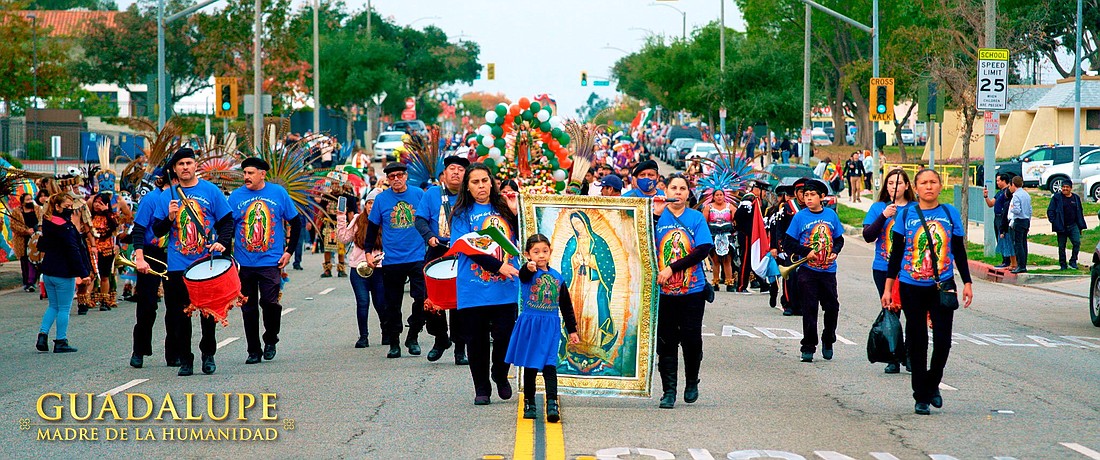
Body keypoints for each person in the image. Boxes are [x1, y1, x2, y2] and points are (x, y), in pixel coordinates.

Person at [883, 168, 973, 415]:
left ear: (940, 185)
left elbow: (959, 251)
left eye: (933, 182)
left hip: (943, 285)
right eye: (924, 183)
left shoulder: (949, 213)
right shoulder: (906, 214)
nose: (929, 186)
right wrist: (889, 287)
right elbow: (897, 253)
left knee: (943, 341)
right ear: (916, 187)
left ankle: (933, 383)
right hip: (912, 285)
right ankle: (920, 396)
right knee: (918, 340)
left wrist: (967, 282)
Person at [149, 148, 234, 377]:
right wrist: (169, 218)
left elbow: (227, 222)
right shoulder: (167, 196)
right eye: (180, 164)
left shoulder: (210, 191)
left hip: (205, 262)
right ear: (174, 170)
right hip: (178, 264)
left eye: (189, 163)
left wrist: (222, 243)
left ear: (195, 166)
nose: (185, 167)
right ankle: (186, 359)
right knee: (180, 315)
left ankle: (208, 355)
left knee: (207, 313)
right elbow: (156, 230)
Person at [450, 163, 521, 405]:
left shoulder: (506, 209)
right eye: (475, 182)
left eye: (484, 181)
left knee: (506, 337)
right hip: (473, 288)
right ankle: (482, 388)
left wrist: (515, 214)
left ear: (492, 182)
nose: (481, 186)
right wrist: (497, 266)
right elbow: (466, 246)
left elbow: (524, 239)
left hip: (506, 288)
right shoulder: (461, 214)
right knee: (476, 341)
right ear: (467, 188)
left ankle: (500, 374)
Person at [228, 157, 302, 364]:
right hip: (244, 263)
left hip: (271, 261)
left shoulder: (278, 193)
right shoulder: (235, 197)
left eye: (250, 173)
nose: (246, 177)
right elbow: (226, 226)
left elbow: (296, 223)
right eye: (244, 173)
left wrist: (289, 252)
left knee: (270, 303)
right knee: (248, 307)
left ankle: (270, 338)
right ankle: (253, 350)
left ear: (262, 174)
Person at [505, 234, 580, 423]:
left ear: (550, 252)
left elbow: (566, 306)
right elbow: (524, 274)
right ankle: (529, 402)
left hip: (550, 326)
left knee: (549, 365)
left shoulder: (557, 277)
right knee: (530, 365)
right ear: (528, 254)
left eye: (544, 251)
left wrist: (572, 330)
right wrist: (528, 268)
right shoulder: (528, 273)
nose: (541, 256)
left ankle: (552, 403)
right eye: (536, 252)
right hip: (531, 325)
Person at [653, 174, 713, 409]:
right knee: (666, 342)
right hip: (664, 293)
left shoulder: (696, 218)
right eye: (673, 188)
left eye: (682, 189)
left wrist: (672, 268)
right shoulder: (657, 217)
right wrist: (655, 215)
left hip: (692, 291)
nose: (677, 192)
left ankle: (691, 381)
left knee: (691, 338)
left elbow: (703, 249)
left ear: (688, 194)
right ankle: (668, 391)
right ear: (666, 190)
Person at [364, 163, 429, 358]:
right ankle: (394, 342)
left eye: (399, 175)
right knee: (392, 303)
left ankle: (413, 335)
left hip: (417, 256)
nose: (396, 179)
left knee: (422, 298)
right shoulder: (382, 200)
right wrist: (368, 252)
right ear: (387, 180)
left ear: (406, 176)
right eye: (392, 176)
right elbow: (372, 228)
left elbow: (429, 220)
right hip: (392, 259)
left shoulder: (419, 194)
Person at [415, 155, 470, 364]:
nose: (456, 173)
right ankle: (440, 338)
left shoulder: (469, 196)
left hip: (462, 253)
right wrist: (429, 236)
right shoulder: (432, 194)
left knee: (460, 303)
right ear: (444, 174)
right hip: (437, 250)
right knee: (430, 300)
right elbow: (419, 219)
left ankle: (460, 349)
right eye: (452, 169)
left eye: (461, 170)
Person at [783, 179, 845, 363]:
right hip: (807, 270)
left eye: (812, 195)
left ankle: (828, 339)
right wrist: (805, 252)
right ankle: (808, 346)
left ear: (822, 197)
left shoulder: (831, 216)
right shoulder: (800, 217)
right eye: (806, 195)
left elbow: (839, 239)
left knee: (832, 307)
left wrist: (835, 251)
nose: (808, 199)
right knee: (809, 309)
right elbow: (788, 243)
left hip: (828, 271)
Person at [862, 168, 915, 374]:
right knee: (891, 311)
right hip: (884, 268)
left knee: (912, 313)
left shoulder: (915, 209)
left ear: (907, 186)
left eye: (899, 183)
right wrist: (884, 216)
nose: (895, 187)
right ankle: (892, 356)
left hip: (910, 270)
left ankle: (911, 355)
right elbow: (868, 235)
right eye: (891, 183)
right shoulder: (878, 208)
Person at [35, 193, 91, 353]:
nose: (70, 210)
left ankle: (42, 334)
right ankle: (61, 340)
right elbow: (73, 250)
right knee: (64, 308)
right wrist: (83, 272)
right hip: (64, 271)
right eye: (67, 207)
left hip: (48, 270)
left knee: (53, 305)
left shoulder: (48, 222)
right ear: (58, 206)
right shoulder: (66, 227)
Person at [129, 172, 173, 369]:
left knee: (176, 306)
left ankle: (174, 353)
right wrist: (139, 257)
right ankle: (139, 350)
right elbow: (138, 230)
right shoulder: (151, 199)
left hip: (175, 255)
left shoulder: (183, 199)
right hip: (151, 253)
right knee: (147, 306)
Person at [339, 189, 386, 348]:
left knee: (380, 303)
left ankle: (386, 331)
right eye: (369, 203)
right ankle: (363, 336)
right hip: (358, 269)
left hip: (379, 268)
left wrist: (380, 257)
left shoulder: (385, 220)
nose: (371, 206)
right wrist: (341, 216)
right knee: (362, 302)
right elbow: (343, 238)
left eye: (375, 203)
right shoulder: (359, 220)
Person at [768, 181, 804, 316]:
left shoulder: (812, 208)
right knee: (790, 276)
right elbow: (779, 228)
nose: (804, 195)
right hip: (790, 247)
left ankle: (800, 305)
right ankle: (788, 304)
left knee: (803, 278)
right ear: (796, 193)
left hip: (806, 248)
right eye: (801, 192)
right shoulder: (787, 208)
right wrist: (778, 247)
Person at [89, 192, 121, 311]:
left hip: (106, 249)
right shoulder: (90, 216)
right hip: (92, 248)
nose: (97, 205)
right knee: (91, 274)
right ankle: (88, 299)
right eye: (95, 202)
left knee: (104, 276)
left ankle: (104, 301)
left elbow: (115, 227)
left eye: (100, 202)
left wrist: (107, 212)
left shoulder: (112, 216)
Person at [1047, 180, 1087, 270]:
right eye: (1063, 187)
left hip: (1073, 225)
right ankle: (1063, 264)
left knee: (1076, 243)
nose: (1065, 189)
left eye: (1067, 187)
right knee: (1062, 246)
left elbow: (1079, 212)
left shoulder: (1076, 198)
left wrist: (1081, 225)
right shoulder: (1056, 198)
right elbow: (1050, 211)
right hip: (1061, 226)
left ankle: (1073, 261)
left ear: (1071, 188)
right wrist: (1054, 221)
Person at [702, 188, 735, 292]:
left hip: (727, 237)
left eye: (721, 194)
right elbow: (703, 222)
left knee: (727, 260)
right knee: (715, 261)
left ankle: (729, 282)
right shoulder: (708, 207)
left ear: (724, 196)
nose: (719, 197)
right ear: (713, 196)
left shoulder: (730, 207)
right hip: (714, 236)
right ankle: (715, 282)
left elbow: (736, 220)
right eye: (717, 195)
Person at [983, 173, 1016, 269]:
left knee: (1004, 238)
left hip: (1003, 217)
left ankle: (1008, 260)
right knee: (999, 238)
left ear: (1004, 181)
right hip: (996, 217)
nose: (997, 182)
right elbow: (991, 204)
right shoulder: (999, 193)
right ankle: (1004, 259)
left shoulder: (1008, 192)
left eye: (998, 180)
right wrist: (986, 197)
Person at [11, 193, 42, 292]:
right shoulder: (16, 212)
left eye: (31, 199)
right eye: (27, 200)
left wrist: (38, 229)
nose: (30, 201)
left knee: (36, 260)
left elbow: (42, 220)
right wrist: (26, 231)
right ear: (22, 202)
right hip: (23, 240)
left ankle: (34, 281)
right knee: (25, 262)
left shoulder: (37, 209)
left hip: (36, 238)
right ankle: (28, 283)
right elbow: (13, 226)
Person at [1007, 176, 1032, 274]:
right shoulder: (1026, 194)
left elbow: (1017, 210)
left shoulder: (1016, 196)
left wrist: (1012, 208)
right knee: (1023, 243)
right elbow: (1030, 210)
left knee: (1018, 244)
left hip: (1019, 220)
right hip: (1026, 220)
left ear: (1013, 184)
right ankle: (1023, 264)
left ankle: (1020, 265)